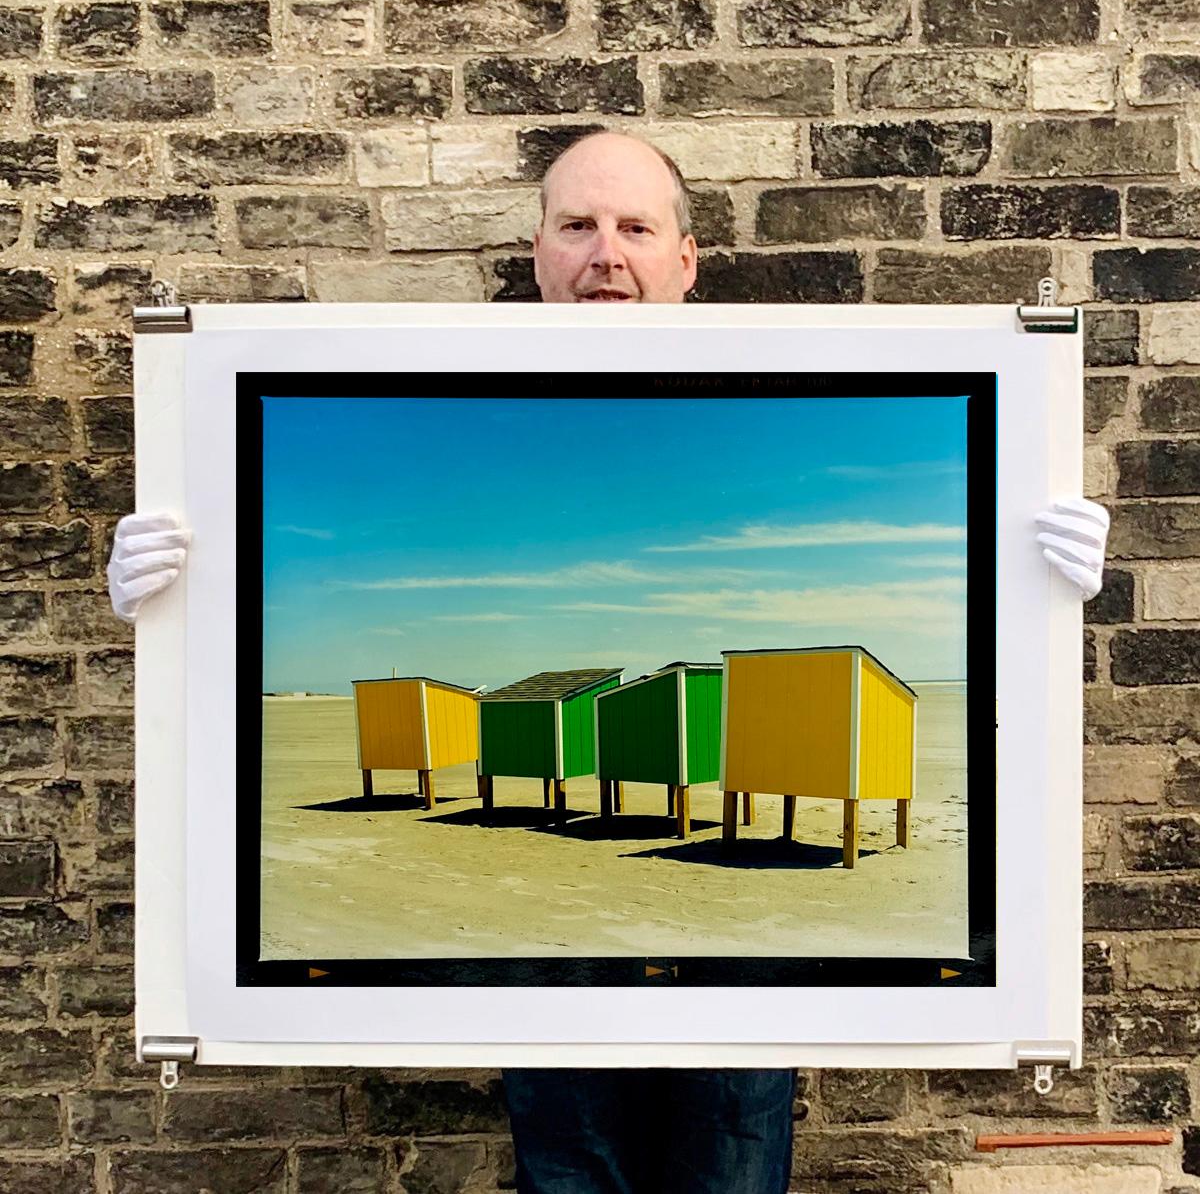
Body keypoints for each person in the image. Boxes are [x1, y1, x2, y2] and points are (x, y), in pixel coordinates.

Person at [108, 130, 1110, 1193]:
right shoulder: (447, 389)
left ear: (687, 258)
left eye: (636, 227)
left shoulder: (788, 388)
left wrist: (1041, 590)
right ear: (535, 251)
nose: (605, 253)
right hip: (544, 974)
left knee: (729, 1168)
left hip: (746, 988)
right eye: (577, 226)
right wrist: (176, 610)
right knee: (569, 1170)